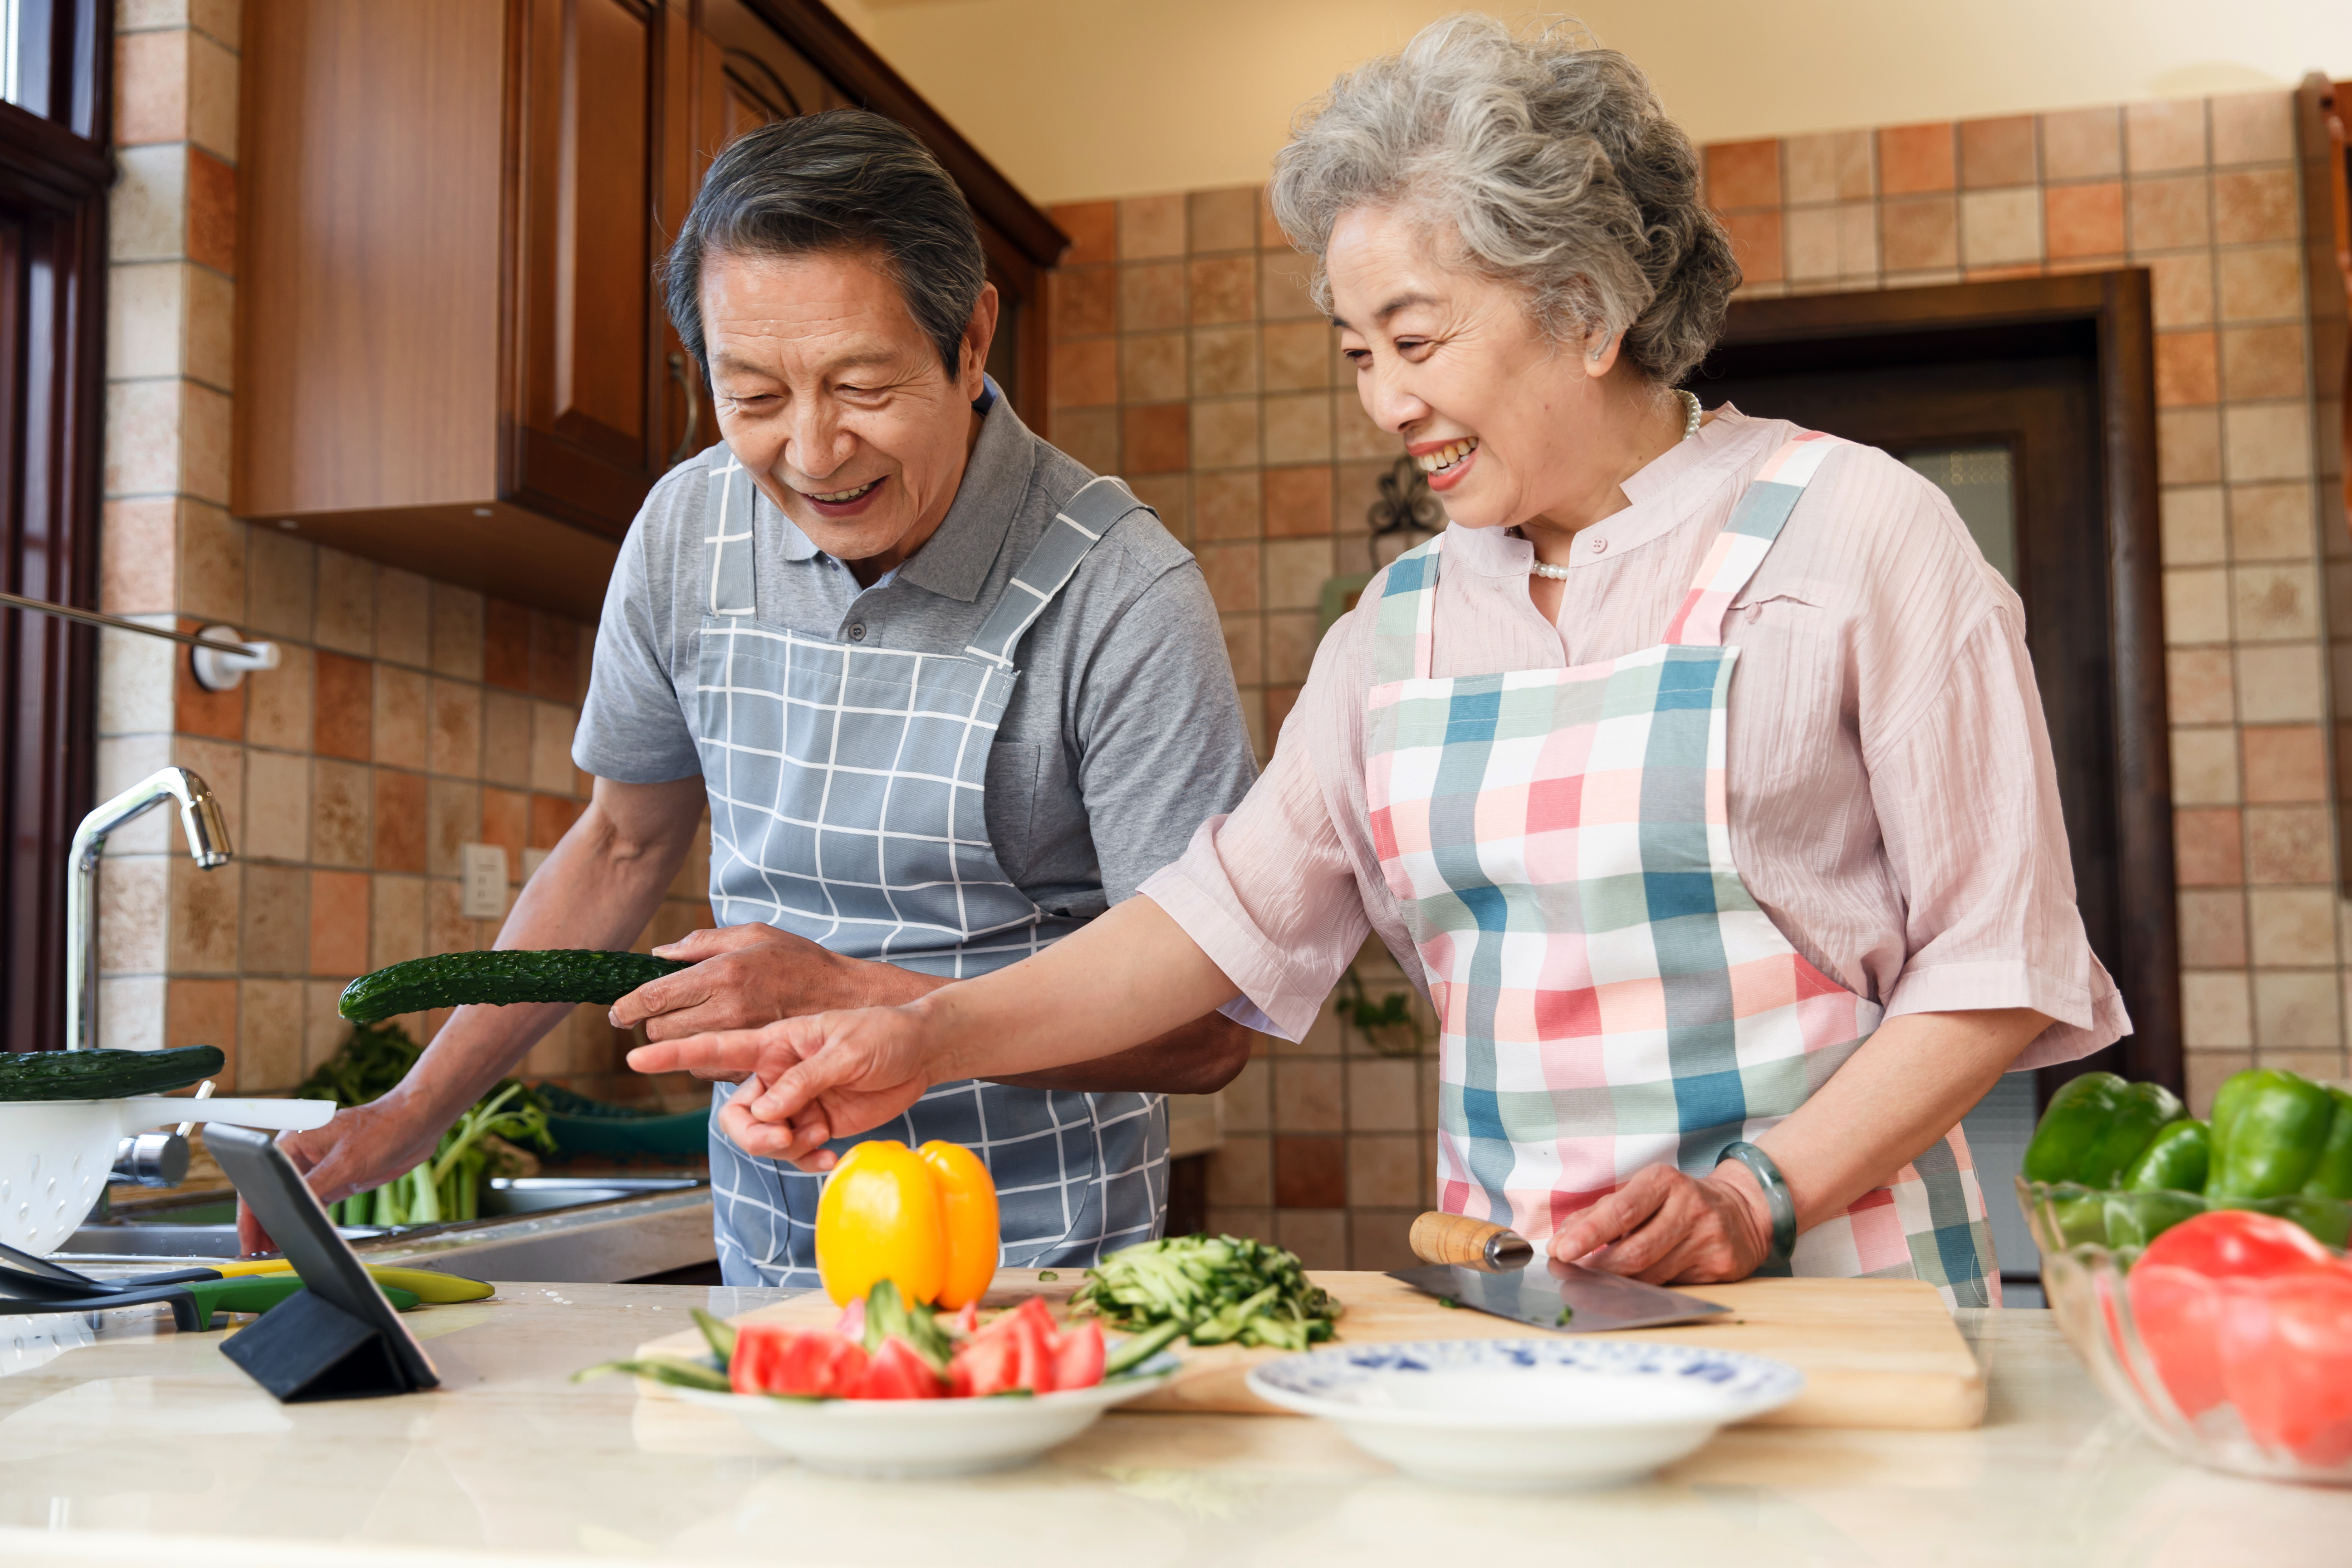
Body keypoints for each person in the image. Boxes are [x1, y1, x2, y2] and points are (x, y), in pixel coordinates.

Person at [627, 18, 2130, 1307]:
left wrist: (1754, 1198)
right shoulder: (1399, 627)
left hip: (1840, 1306)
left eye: (1418, 339)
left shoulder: (1857, 533)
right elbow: (1207, 929)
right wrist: (922, 1036)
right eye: (1357, 353)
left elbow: (1994, 966)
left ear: (1589, 307)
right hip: (1530, 1314)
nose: (1386, 402)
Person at [257, 110, 1258, 1284]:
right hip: (769, 1250)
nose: (816, 452)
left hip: (1039, 1263)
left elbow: (1206, 1029)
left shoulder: (1122, 594)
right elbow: (623, 844)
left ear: (972, 338)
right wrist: (414, 1109)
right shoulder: (685, 530)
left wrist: (858, 1002)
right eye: (755, 397)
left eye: (862, 384)